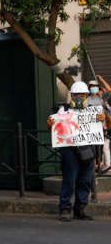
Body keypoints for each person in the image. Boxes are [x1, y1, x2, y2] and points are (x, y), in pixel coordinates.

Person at [47, 81, 105, 221]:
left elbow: (105, 125)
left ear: (86, 96)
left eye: (82, 95)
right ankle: (65, 208)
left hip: (87, 149)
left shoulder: (94, 110)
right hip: (69, 149)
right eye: (76, 95)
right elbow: (54, 128)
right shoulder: (63, 110)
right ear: (71, 96)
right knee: (69, 179)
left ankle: (80, 208)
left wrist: (104, 118)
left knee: (85, 180)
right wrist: (50, 125)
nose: (79, 98)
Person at [87, 76, 111, 173]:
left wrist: (101, 79)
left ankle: (99, 163)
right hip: (90, 125)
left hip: (101, 126)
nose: (94, 88)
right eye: (92, 86)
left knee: (101, 146)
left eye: (95, 86)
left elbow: (109, 90)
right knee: (91, 145)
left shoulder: (101, 98)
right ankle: (94, 163)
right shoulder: (86, 99)